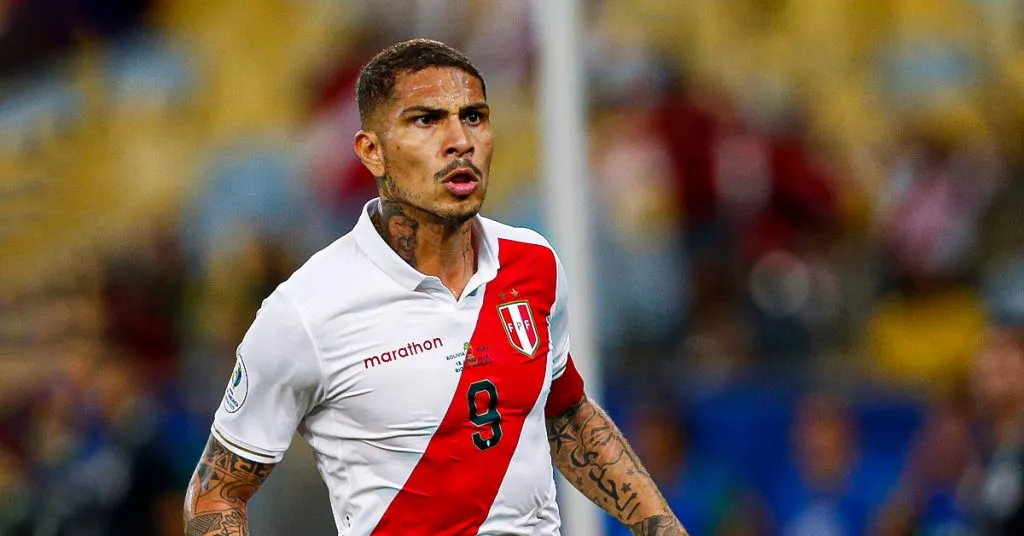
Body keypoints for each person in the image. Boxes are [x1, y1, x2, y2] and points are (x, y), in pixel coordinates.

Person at [182, 39, 686, 536]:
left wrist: (662, 529)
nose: (460, 141)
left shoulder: (533, 264)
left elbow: (565, 414)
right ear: (372, 151)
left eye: (474, 117)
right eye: (426, 120)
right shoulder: (307, 310)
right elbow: (217, 492)